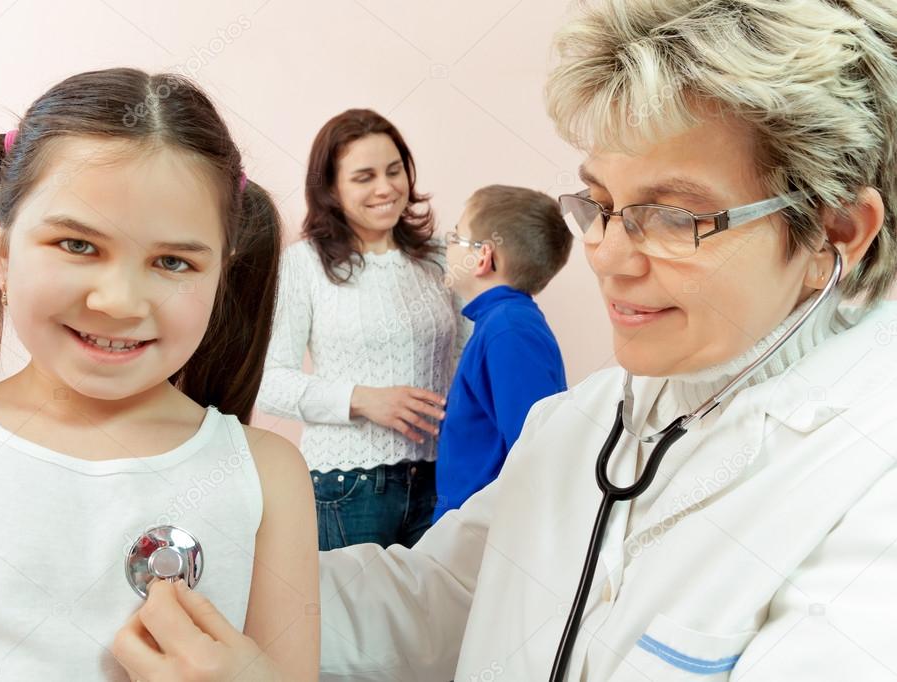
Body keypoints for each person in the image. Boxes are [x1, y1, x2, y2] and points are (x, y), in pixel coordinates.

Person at [318, 1, 897, 679]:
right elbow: (445, 599)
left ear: (835, 232)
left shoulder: (869, 475)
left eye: (673, 216)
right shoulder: (579, 425)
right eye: (597, 204)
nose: (605, 256)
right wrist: (218, 580)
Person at [0, 68, 318, 682]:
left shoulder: (268, 473)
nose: (119, 301)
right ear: (1, 247)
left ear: (223, 272)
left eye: (172, 261)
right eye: (77, 245)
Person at [256, 109, 469, 551]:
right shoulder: (304, 265)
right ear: (331, 188)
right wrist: (362, 399)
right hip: (346, 488)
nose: (385, 188)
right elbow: (267, 381)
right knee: (352, 620)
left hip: (440, 478)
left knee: (435, 617)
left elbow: (470, 357)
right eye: (364, 176)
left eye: (394, 171)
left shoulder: (441, 257)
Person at [433, 185, 571, 521]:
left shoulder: (510, 330)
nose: (447, 246)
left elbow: (533, 452)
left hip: (484, 538)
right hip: (468, 531)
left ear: (483, 257)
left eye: (456, 237)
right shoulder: (498, 323)